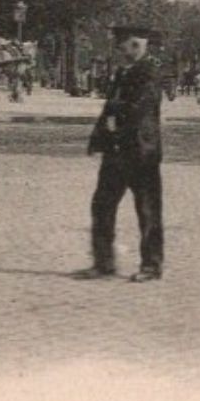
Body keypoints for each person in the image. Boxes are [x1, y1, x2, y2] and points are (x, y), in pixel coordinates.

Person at [76, 26, 165, 283]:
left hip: (140, 151)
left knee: (148, 210)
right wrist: (99, 138)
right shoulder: (123, 72)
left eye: (122, 46)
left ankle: (151, 266)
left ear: (135, 45)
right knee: (102, 206)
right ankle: (103, 263)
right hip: (116, 151)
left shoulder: (149, 72)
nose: (119, 50)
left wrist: (117, 115)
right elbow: (109, 108)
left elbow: (141, 107)